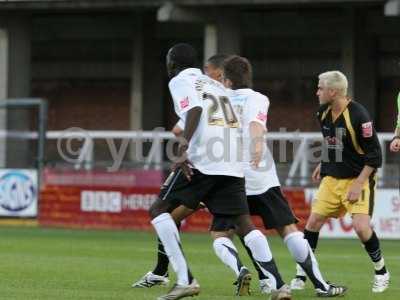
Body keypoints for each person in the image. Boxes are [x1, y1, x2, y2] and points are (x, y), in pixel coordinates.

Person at [148, 43, 290, 300]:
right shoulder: (213, 83)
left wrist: (182, 150)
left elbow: (194, 110)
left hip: (205, 161)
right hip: (234, 161)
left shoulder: (180, 80)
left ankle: (185, 280)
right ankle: (279, 285)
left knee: (159, 210)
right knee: (243, 223)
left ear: (172, 63)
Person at [291, 71, 390, 293]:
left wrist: (358, 183)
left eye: (320, 88)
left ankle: (381, 271)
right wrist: (324, 163)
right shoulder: (322, 112)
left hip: (359, 178)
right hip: (332, 177)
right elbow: (332, 142)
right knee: (313, 222)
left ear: (333, 92)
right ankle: (301, 274)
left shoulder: (359, 116)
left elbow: (375, 156)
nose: (317, 92)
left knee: (360, 227)